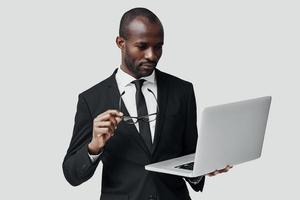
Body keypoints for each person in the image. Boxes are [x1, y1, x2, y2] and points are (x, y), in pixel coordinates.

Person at [63, 7, 231, 200]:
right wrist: (94, 147)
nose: (152, 55)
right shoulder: (92, 99)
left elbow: (189, 154)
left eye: (158, 46)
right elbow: (72, 174)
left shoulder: (182, 90)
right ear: (121, 43)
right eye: (142, 46)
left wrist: (205, 168)